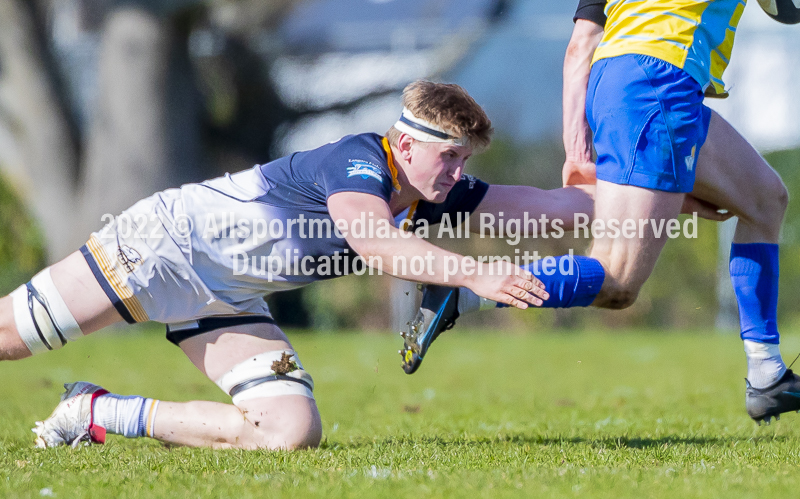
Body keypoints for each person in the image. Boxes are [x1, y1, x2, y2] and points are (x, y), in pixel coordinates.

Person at [1, 80, 618, 450]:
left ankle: (93, 412)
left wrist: (658, 195)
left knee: (287, 432)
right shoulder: (358, 162)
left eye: (465, 159)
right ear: (405, 143)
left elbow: (550, 208)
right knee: (9, 339)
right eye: (449, 156)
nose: (458, 172)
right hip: (164, 247)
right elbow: (376, 242)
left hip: (229, 295)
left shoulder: (433, 190)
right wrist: (476, 275)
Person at [404, 1, 797, 425]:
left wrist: (575, 149)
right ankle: (463, 294)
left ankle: (766, 374)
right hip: (659, 82)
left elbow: (580, 47)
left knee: (764, 199)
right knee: (617, 280)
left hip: (627, 80)